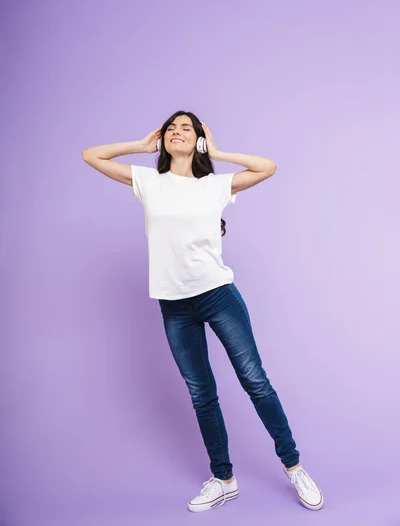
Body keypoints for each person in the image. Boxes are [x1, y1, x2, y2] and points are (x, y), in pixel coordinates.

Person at [81, 110, 324, 513]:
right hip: (174, 304)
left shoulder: (216, 185)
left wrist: (221, 151)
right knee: (201, 394)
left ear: (199, 140)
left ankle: (294, 466)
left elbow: (269, 167)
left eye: (186, 129)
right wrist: (140, 147)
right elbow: (91, 155)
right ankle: (224, 479)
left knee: (255, 381)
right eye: (171, 129)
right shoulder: (148, 181)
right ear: (163, 141)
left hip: (218, 294)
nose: (177, 133)